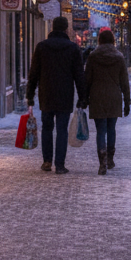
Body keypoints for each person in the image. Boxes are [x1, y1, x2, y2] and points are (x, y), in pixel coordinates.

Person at [26, 15, 87, 173]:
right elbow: (79, 75)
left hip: (46, 94)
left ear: (52, 28)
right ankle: (59, 165)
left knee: (47, 128)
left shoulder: (41, 47)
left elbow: (34, 73)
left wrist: (30, 95)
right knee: (62, 130)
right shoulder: (73, 48)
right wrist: (82, 97)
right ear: (66, 29)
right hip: (65, 94)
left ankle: (47, 161)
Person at [84, 27, 130, 175]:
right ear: (113, 40)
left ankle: (102, 161)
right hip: (114, 97)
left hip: (97, 97)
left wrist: (84, 98)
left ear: (99, 41)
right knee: (111, 129)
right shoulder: (119, 57)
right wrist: (127, 101)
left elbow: (87, 80)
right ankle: (110, 159)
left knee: (100, 130)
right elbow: (124, 82)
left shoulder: (93, 57)